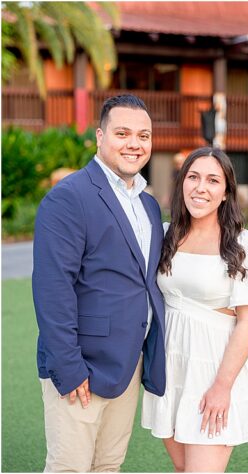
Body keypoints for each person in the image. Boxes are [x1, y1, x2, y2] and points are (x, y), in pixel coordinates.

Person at [33, 94, 166, 472]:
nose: (134, 144)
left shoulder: (148, 205)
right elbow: (52, 288)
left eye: (144, 135)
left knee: (108, 466)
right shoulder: (69, 197)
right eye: (122, 133)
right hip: (81, 367)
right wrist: (69, 366)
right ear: (99, 136)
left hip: (128, 365)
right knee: (70, 467)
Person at [141, 147, 248, 472]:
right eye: (193, 177)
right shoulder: (164, 236)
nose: (200, 187)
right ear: (181, 184)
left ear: (225, 193)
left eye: (212, 180)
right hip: (171, 366)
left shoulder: (244, 244)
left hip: (215, 370)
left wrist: (222, 388)